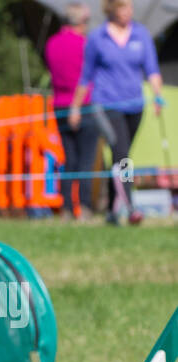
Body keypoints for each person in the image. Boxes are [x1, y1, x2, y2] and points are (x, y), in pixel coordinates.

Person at [70, 0, 163, 225]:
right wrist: (76, 106)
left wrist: (157, 94)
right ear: (112, 10)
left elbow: (152, 69)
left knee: (120, 157)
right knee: (123, 156)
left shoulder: (140, 34)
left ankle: (112, 211)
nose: (129, 12)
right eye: (124, 8)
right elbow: (86, 75)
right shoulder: (98, 37)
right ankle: (131, 207)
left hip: (135, 105)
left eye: (130, 8)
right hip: (106, 104)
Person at [46, 2, 99, 218]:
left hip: (59, 106)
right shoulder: (84, 45)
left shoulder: (51, 44)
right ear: (80, 22)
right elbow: (87, 78)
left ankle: (67, 207)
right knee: (86, 160)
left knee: (69, 159)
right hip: (84, 106)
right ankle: (84, 206)